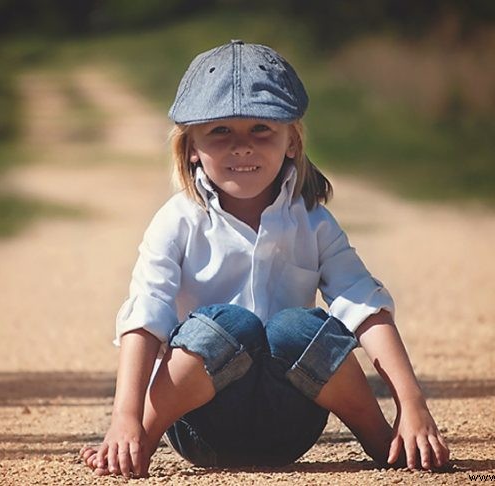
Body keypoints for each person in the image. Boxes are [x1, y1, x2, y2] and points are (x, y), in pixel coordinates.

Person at [80, 40, 449, 478]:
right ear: (191, 147)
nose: (242, 147)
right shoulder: (176, 221)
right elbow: (146, 314)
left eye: (261, 129)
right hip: (201, 425)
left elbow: (364, 306)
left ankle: (381, 437)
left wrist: (413, 403)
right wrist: (124, 418)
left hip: (289, 424)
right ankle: (140, 439)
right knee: (232, 325)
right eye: (220, 132)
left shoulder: (313, 221)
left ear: (291, 141)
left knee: (296, 328)